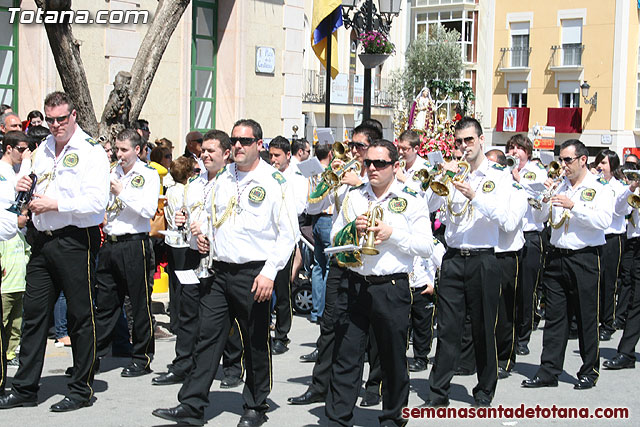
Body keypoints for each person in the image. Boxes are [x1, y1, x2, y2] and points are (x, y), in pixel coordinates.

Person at [152, 119, 299, 427]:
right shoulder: (222, 178)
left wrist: (270, 273)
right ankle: (192, 405)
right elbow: (208, 212)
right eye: (234, 140)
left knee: (255, 340)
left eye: (245, 141)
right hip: (219, 271)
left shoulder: (273, 181)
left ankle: (256, 405)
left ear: (259, 144)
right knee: (208, 337)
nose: (238, 146)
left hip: (254, 272)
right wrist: (202, 233)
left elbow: (288, 234)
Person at [0, 91, 110, 412]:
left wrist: (56, 204)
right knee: (34, 315)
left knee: (79, 316)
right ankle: (24, 387)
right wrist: (22, 185)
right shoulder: (44, 148)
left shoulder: (91, 152)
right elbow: (30, 180)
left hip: (76, 239)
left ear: (74, 115)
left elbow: (96, 204)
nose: (56, 125)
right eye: (50, 120)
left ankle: (80, 388)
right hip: (42, 239)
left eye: (61, 118)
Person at [325, 139, 435, 426]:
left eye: (380, 163)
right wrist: (352, 230)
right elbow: (334, 239)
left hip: (392, 286)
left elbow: (426, 246)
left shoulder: (412, 198)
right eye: (368, 163)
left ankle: (392, 417)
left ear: (395, 166)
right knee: (346, 356)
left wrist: (392, 234)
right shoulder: (354, 196)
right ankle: (338, 417)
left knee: (392, 357)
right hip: (355, 283)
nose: (372, 168)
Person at [426, 117, 509, 407]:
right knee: (447, 327)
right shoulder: (453, 173)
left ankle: (485, 389)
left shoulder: (498, 175)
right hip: (453, 257)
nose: (463, 147)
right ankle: (438, 392)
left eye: (468, 141)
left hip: (483, 257)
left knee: (484, 327)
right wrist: (442, 177)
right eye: (458, 142)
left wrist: (475, 196)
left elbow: (507, 219)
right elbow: (429, 206)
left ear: (481, 140)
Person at [522, 139, 613, 391]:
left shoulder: (599, 187)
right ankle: (548, 371)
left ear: (583, 160)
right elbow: (539, 218)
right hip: (556, 255)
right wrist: (544, 197)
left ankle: (589, 370)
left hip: (585, 257)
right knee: (555, 318)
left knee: (586, 316)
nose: (563, 165)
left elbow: (603, 220)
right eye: (561, 160)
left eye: (568, 160)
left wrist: (575, 206)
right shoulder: (559, 184)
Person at [94, 128, 160, 377]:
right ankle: (93, 356)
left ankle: (141, 357)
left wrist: (121, 191)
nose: (119, 154)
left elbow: (147, 210)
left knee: (139, 302)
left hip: (135, 243)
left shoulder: (148, 174)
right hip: (110, 243)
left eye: (124, 150)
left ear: (137, 150)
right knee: (106, 303)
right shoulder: (112, 172)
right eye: (116, 149)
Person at [485, 149, 528, 379]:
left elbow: (509, 224)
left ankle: (505, 357)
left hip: (506, 255)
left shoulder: (516, 190)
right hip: (485, 253)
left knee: (504, 311)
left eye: (493, 166)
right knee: (483, 309)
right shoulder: (485, 188)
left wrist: (486, 204)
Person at [506, 134, 548, 356]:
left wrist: (519, 181)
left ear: (528, 152)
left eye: (518, 148)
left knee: (526, 289)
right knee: (509, 289)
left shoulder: (536, 172)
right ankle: (508, 334)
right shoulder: (504, 171)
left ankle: (523, 337)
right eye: (511, 148)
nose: (514, 152)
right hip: (509, 238)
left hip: (530, 236)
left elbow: (539, 199)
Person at [268, 136, 309, 354]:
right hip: (265, 238)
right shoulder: (266, 174)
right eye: (271, 155)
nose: (273, 159)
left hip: (284, 237)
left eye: (277, 156)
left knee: (282, 289)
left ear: (287, 156)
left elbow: (300, 206)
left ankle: (282, 336)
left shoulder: (297, 176)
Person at [603, 175, 640, 370]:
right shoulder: (634, 188)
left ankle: (626, 352)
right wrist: (631, 189)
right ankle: (626, 352)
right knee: (636, 300)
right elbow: (619, 209)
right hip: (635, 243)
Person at [591, 150, 629, 342]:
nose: (600, 167)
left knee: (609, 281)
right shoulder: (593, 185)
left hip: (613, 238)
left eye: (604, 163)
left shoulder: (619, 186)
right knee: (594, 280)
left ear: (612, 167)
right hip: (596, 237)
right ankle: (593, 320)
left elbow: (621, 210)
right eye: (598, 163)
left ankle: (608, 323)